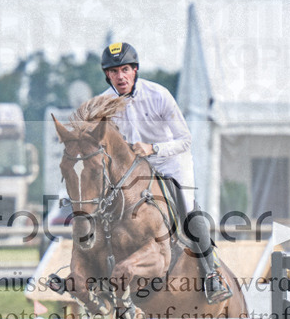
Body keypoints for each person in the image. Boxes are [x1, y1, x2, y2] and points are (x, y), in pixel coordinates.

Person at [99, 41, 232, 303]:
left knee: (188, 210)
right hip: (134, 168)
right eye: (114, 72)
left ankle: (211, 274)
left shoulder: (159, 95)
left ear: (134, 71)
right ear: (107, 75)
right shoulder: (104, 103)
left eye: (125, 69)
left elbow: (185, 140)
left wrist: (153, 148)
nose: (120, 76)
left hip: (171, 161)